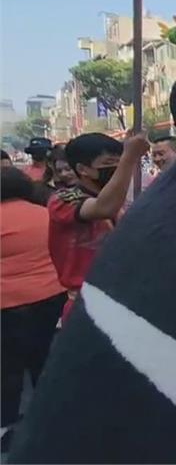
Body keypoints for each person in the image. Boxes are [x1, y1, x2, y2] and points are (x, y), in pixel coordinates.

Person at [48, 132, 149, 323]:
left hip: (123, 298)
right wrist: (129, 158)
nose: (117, 168)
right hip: (85, 305)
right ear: (83, 169)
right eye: (109, 163)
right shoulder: (62, 201)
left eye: (119, 161)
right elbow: (104, 207)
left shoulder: (121, 203)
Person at [1, 167, 66, 452]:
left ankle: (5, 427)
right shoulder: (44, 213)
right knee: (45, 360)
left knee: (8, 368)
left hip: (8, 305)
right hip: (52, 296)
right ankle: (53, 420)